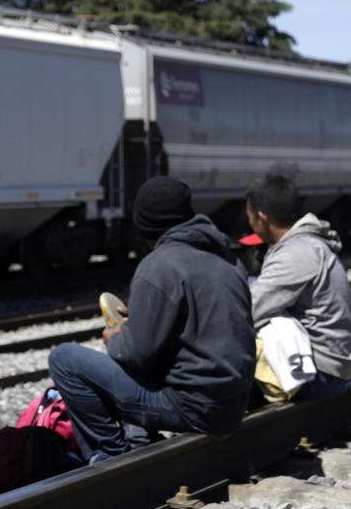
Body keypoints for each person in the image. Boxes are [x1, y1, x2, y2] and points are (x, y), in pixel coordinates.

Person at [47, 176, 253, 461]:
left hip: (192, 408)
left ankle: (110, 459)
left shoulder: (159, 265)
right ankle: (139, 439)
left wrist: (115, 337)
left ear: (143, 221)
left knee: (65, 359)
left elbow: (134, 355)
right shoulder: (228, 259)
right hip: (232, 406)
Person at [244, 174, 351, 399]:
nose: (249, 224)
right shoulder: (307, 244)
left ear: (261, 218)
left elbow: (249, 310)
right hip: (332, 364)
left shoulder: (295, 254)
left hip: (321, 374)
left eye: (249, 217)